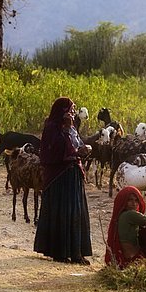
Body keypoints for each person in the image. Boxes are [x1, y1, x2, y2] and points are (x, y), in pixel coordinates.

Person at [34, 97, 93, 265]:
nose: (73, 113)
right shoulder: (52, 128)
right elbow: (52, 152)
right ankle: (60, 252)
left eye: (73, 110)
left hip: (73, 176)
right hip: (59, 178)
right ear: (62, 111)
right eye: (70, 109)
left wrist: (84, 149)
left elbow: (76, 145)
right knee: (62, 213)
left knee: (75, 213)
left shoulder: (72, 129)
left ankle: (76, 253)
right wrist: (73, 149)